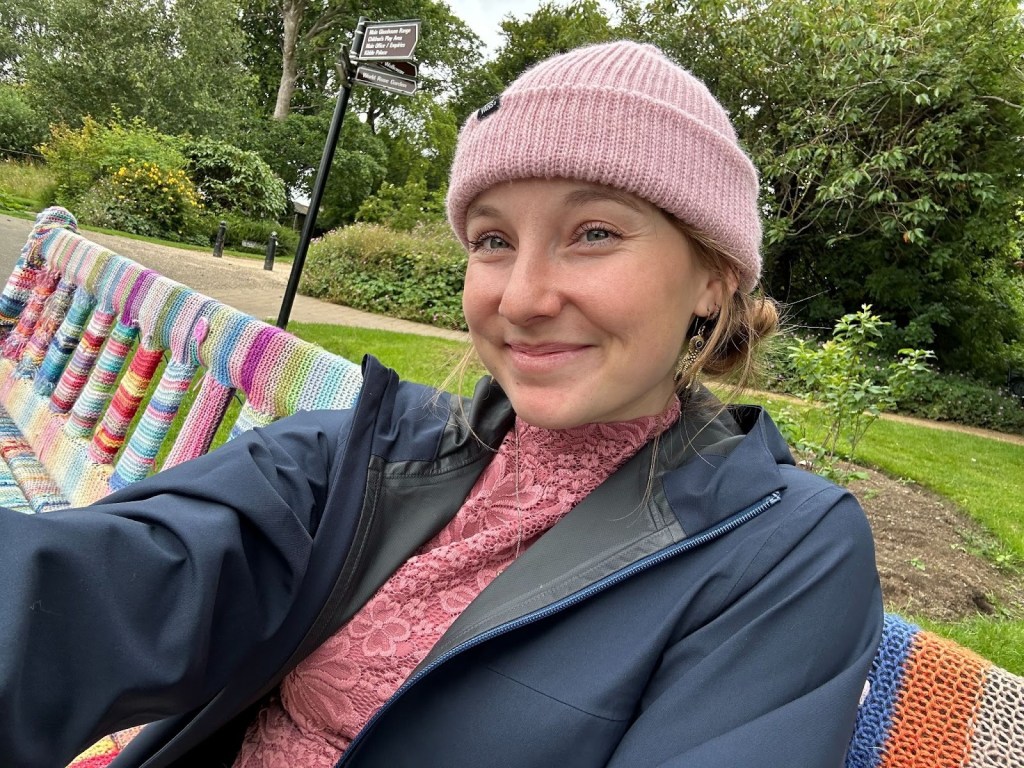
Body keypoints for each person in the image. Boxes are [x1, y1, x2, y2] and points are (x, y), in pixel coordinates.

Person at [0, 41, 882, 768]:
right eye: (493, 239)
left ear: (714, 278)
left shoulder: (781, 554)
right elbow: (81, 593)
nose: (523, 298)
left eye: (594, 233)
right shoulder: (363, 460)